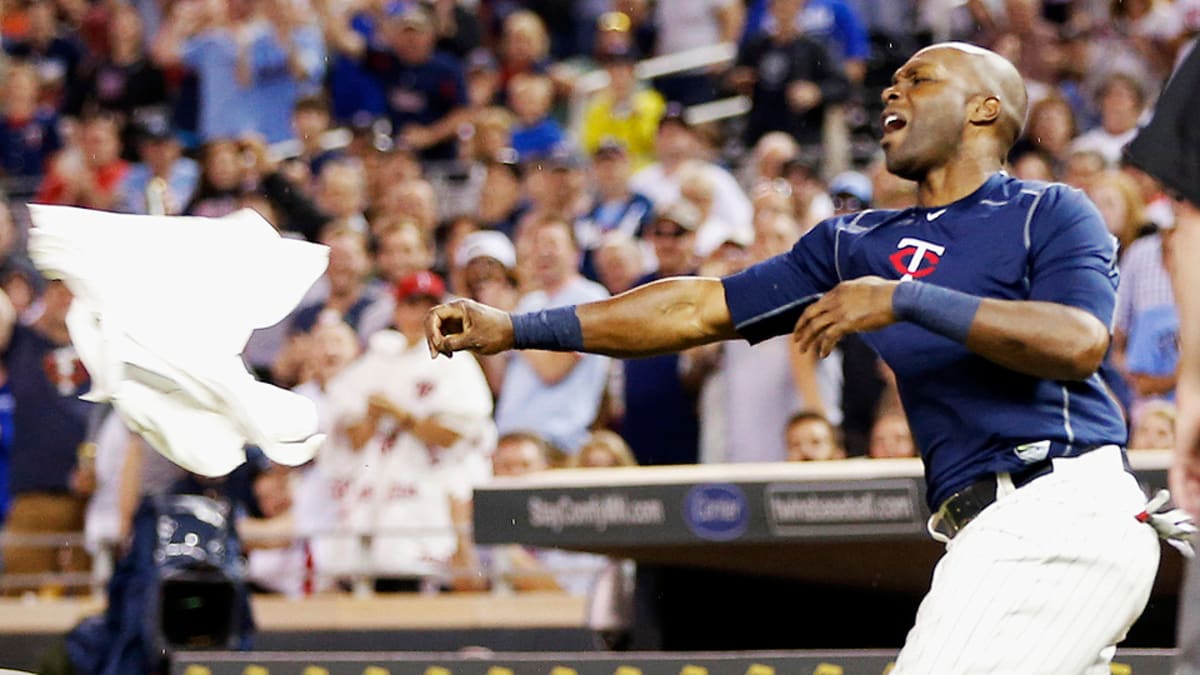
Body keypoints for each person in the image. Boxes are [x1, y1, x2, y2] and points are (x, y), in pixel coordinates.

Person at [427, 42, 1180, 671]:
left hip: (1056, 508)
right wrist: (518, 327)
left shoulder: (1047, 210)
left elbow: (1079, 342)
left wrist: (907, 299)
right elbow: (697, 306)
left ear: (985, 108)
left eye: (919, 78)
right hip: (992, 528)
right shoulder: (855, 240)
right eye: (893, 79)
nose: (894, 88)